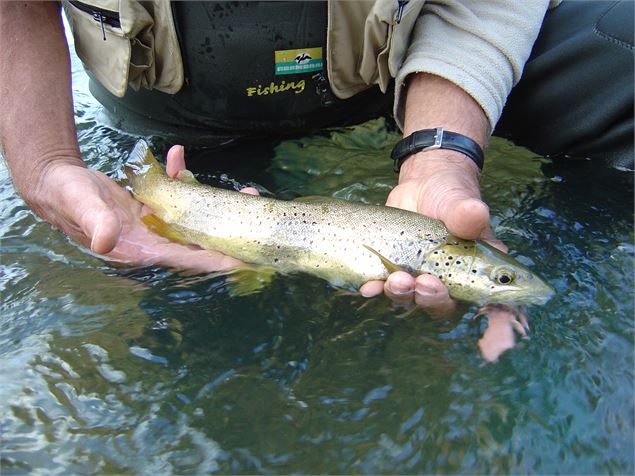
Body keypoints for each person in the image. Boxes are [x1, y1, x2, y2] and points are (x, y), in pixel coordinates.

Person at [1, 1, 632, 314]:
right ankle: (162, 190)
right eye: (501, 279)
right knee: (215, 318)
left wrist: (442, 154)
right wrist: (47, 163)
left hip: (394, 67)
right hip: (175, 100)